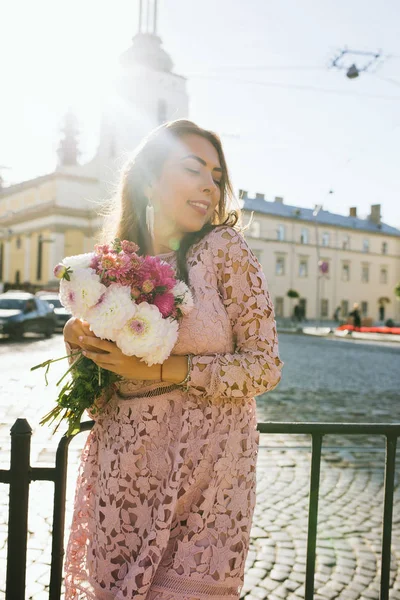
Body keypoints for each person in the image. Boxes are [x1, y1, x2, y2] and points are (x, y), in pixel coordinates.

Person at [63, 119, 284, 600]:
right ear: (148, 178)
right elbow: (96, 398)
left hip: (205, 489)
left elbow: (265, 366)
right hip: (124, 480)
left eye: (217, 176)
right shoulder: (112, 266)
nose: (210, 184)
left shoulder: (225, 250)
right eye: (193, 169)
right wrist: (78, 339)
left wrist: (162, 370)